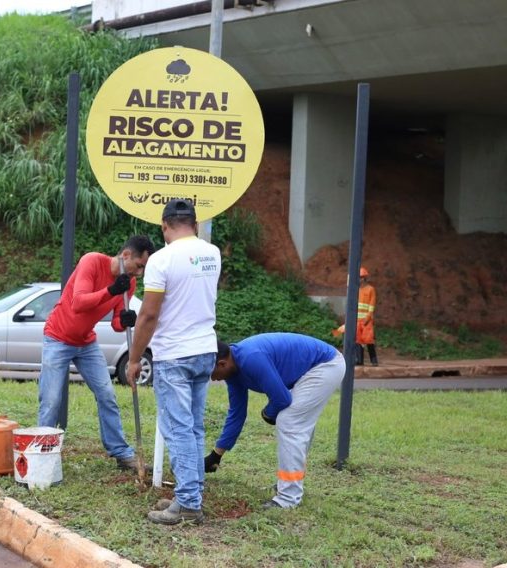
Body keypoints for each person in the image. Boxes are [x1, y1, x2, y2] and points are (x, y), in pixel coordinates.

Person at [126, 199, 221, 526]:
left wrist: (135, 358)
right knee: (193, 426)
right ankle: (189, 494)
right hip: (205, 350)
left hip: (175, 354)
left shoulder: (162, 260)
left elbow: (149, 314)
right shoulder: (213, 253)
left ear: (164, 226)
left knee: (178, 428)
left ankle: (190, 503)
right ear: (194, 225)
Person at [38, 235, 155, 472]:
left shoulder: (128, 283)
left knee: (107, 394)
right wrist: (111, 290)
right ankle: (43, 453)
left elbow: (116, 324)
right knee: (51, 401)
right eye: (139, 266)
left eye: (144, 268)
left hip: (86, 343)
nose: (139, 273)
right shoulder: (92, 262)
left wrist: (125, 319)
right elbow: (79, 303)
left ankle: (121, 453)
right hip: (57, 338)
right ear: (125, 256)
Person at [205, 333, 345, 509]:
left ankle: (288, 497)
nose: (212, 379)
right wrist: (216, 455)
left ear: (222, 363)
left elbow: (281, 399)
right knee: (295, 422)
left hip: (325, 365)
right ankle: (287, 486)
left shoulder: (250, 358)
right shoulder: (233, 372)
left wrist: (268, 413)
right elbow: (237, 414)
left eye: (211, 373)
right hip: (313, 368)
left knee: (289, 421)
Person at [333, 266, 378, 366]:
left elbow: (371, 305)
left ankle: (374, 361)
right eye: (358, 277)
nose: (359, 279)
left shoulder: (370, 289)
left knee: (368, 340)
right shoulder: (355, 289)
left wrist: (368, 318)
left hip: (366, 320)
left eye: (361, 277)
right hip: (357, 320)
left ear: (364, 278)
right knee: (358, 340)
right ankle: (359, 360)